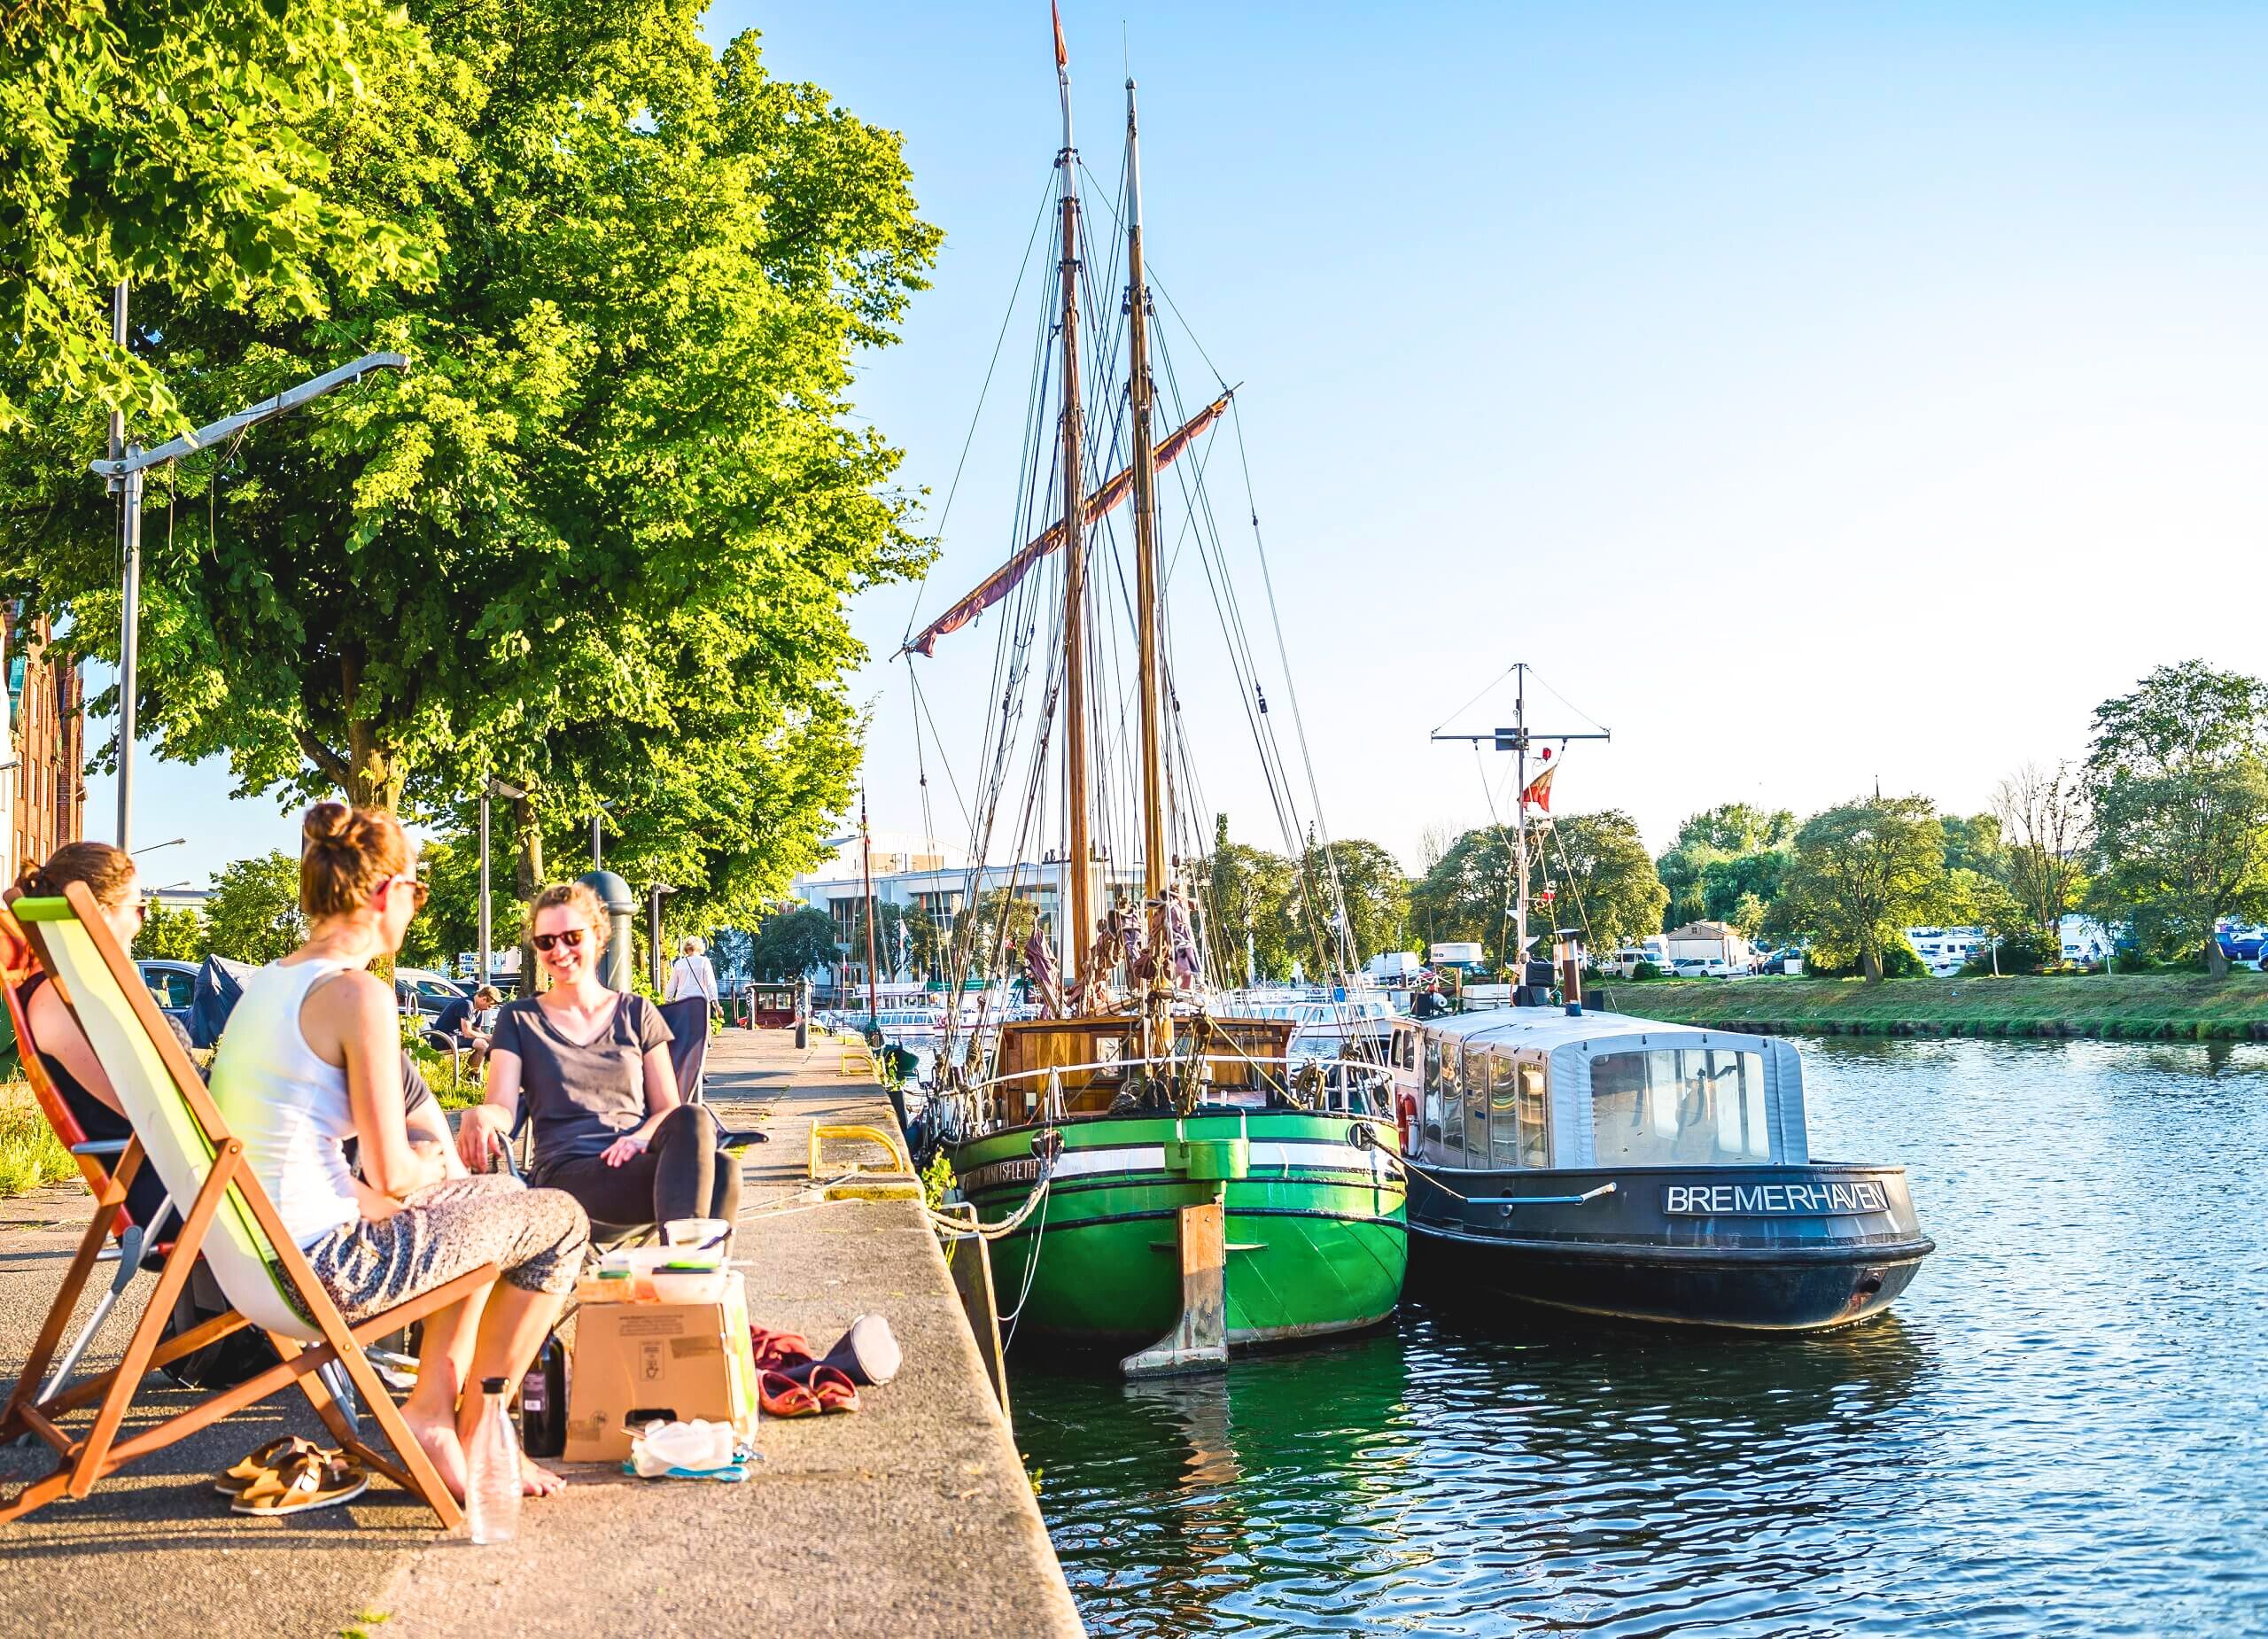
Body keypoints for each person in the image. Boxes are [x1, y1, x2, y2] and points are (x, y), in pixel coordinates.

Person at [211, 803, 588, 1502]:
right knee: (562, 1218)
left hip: (254, 1261)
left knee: (505, 1201)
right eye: (416, 892)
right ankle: (477, 1432)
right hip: (326, 1270)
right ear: (386, 894)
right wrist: (441, 1167)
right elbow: (392, 1169)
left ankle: (431, 1410)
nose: (415, 907)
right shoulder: (357, 994)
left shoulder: (269, 982)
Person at [458, 883, 739, 1233]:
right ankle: (684, 1275)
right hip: (568, 1174)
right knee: (717, 1172)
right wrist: (480, 1113)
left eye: (572, 936)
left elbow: (668, 1109)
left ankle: (684, 1276)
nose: (559, 950)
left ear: (598, 935)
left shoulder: (638, 1013)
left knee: (710, 1146)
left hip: (636, 1158)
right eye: (546, 941)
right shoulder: (519, 1019)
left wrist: (639, 1138)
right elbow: (502, 1107)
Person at [12, 842, 173, 1233]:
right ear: (100, 914)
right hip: (177, 1195)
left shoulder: (82, 994)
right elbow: (154, 1115)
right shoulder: (64, 1003)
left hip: (182, 1184)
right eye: (138, 909)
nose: (140, 922)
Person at [665, 936, 720, 1014]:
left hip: (682, 1002)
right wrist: (716, 1004)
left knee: (683, 1026)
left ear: (685, 949)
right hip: (700, 1002)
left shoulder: (679, 964)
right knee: (701, 1026)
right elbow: (710, 984)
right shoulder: (704, 962)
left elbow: (672, 984)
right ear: (700, 947)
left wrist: (668, 1001)